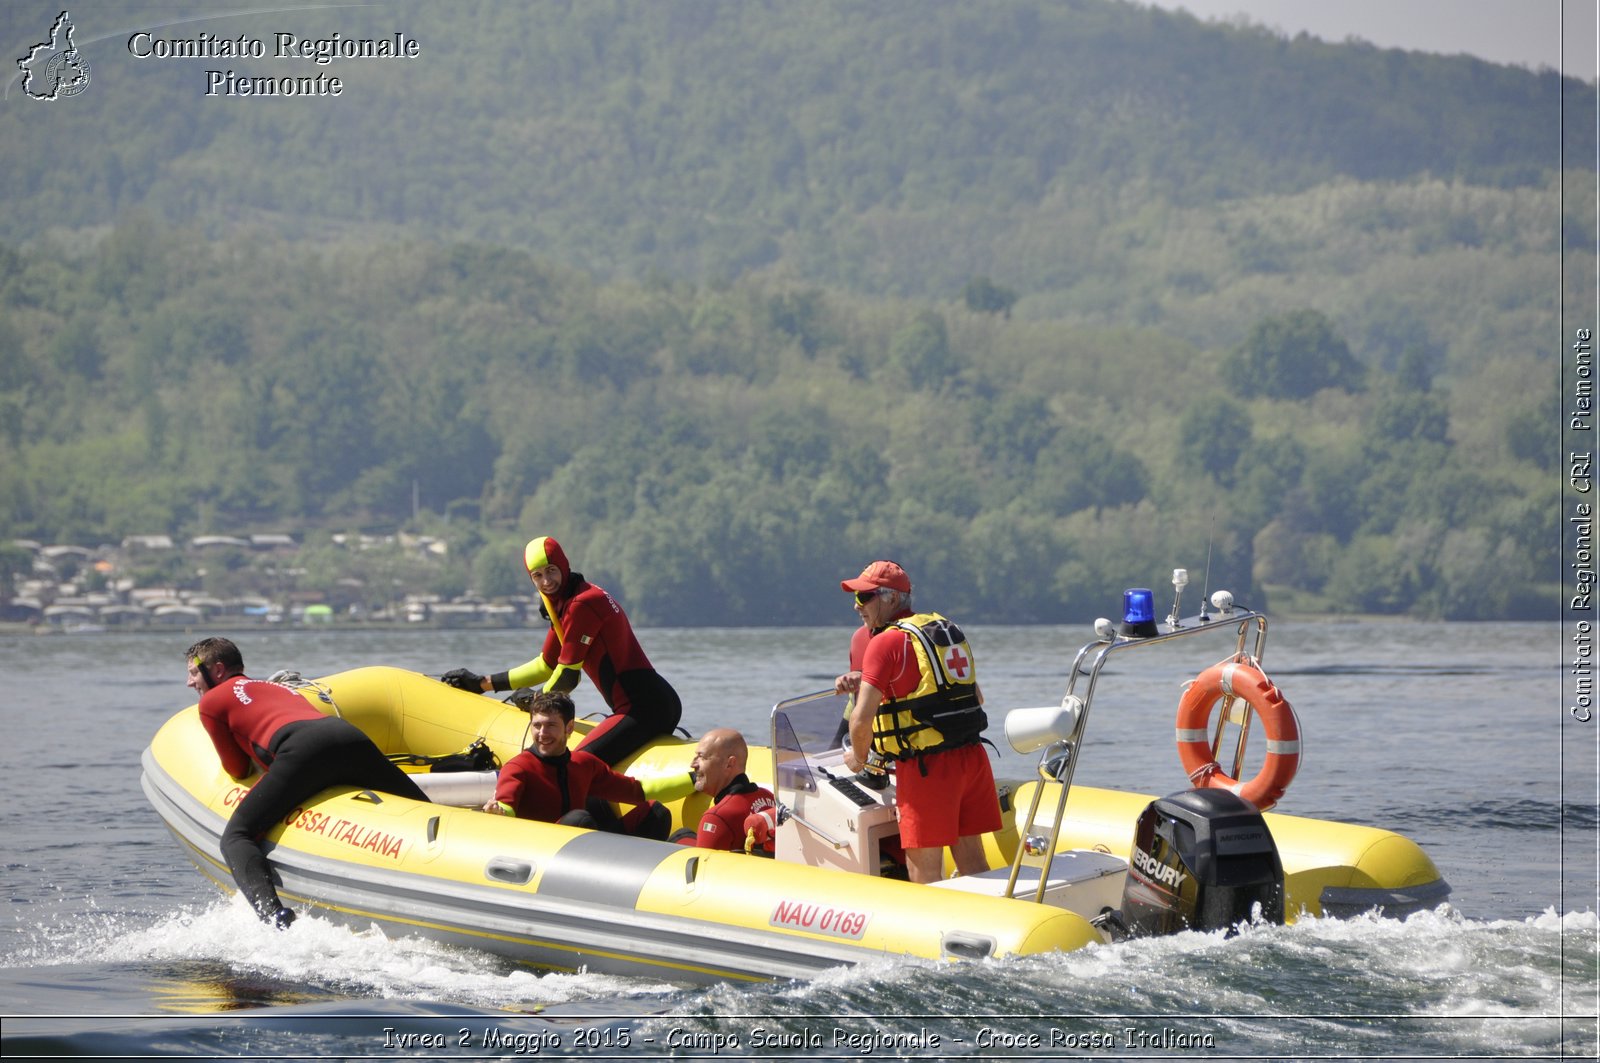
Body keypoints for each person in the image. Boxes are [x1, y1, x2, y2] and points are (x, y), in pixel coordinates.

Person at [187, 636, 431, 929]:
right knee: (423, 810)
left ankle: (276, 920)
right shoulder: (273, 686)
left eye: (192, 673)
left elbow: (237, 769)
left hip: (303, 750)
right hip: (348, 737)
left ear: (217, 670)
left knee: (236, 838)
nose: (190, 683)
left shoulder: (212, 702)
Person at [441, 535, 681, 767]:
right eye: (538, 575)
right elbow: (546, 664)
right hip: (653, 703)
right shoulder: (566, 602)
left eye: (551, 571)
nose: (546, 581)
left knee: (576, 767)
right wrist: (482, 683)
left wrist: (536, 700)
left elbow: (567, 675)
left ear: (564, 568)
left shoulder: (582, 603)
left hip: (644, 709)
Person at [837, 560, 1001, 884]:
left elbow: (860, 720)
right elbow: (977, 697)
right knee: (974, 862)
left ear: (891, 599)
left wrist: (859, 758)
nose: (858, 607)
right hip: (972, 758)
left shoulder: (884, 642)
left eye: (864, 597)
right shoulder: (942, 631)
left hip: (926, 769)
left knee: (923, 872)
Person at [483, 690, 687, 838]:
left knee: (655, 812)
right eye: (537, 726)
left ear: (569, 727)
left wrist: (694, 779)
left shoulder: (583, 764)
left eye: (551, 726)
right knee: (579, 819)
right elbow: (505, 805)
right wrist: (498, 811)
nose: (542, 733)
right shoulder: (519, 767)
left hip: (583, 845)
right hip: (541, 848)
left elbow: (638, 791)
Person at [673, 728, 778, 855]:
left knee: (679, 838)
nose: (693, 764)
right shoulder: (768, 797)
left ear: (729, 763)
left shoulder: (717, 818)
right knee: (685, 834)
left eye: (701, 757)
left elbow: (701, 871)